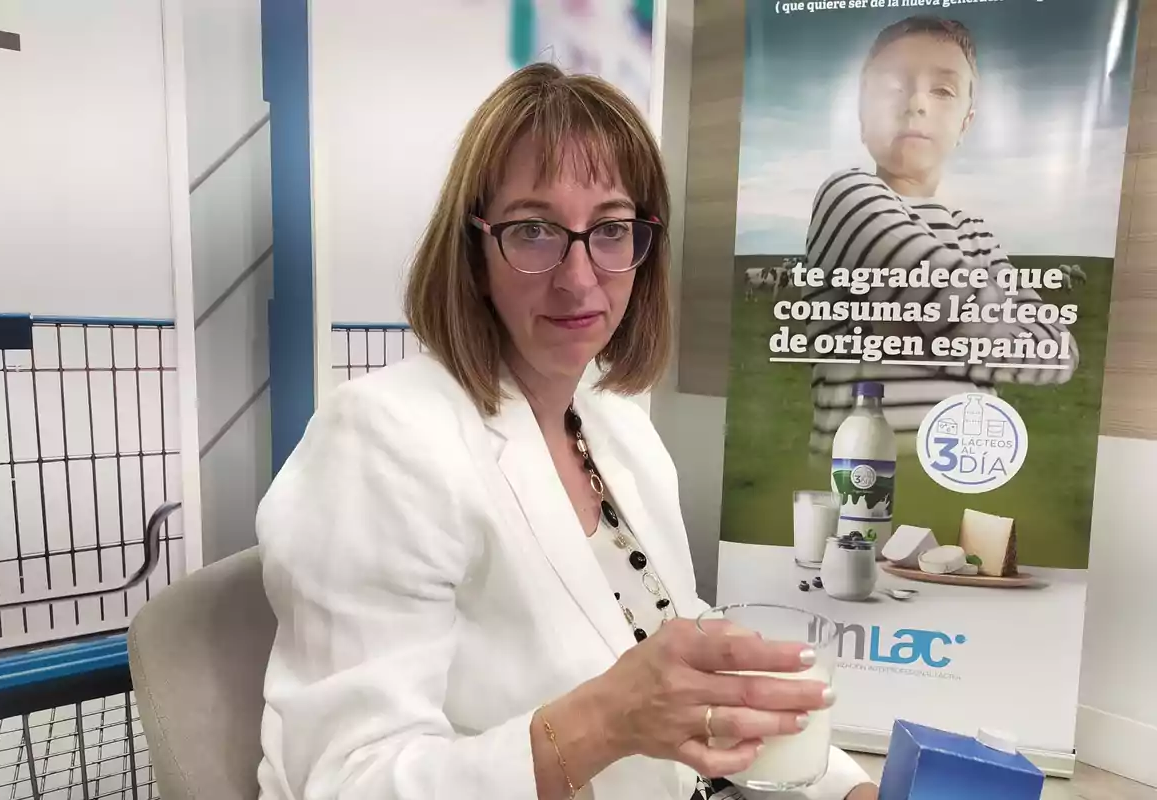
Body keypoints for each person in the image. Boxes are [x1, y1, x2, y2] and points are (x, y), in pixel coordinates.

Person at [254, 64, 877, 800]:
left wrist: (841, 784)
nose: (580, 279)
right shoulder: (383, 438)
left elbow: (677, 636)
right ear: (472, 252)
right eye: (534, 231)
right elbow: (344, 783)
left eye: (612, 230)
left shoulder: (619, 427)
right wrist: (604, 720)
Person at [804, 16, 1080, 454]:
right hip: (860, 478)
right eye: (893, 86)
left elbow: (1057, 352)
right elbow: (964, 321)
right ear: (860, 113)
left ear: (965, 123)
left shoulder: (976, 233)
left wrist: (929, 328)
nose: (915, 103)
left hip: (969, 476)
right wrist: (986, 332)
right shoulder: (847, 196)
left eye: (943, 91)